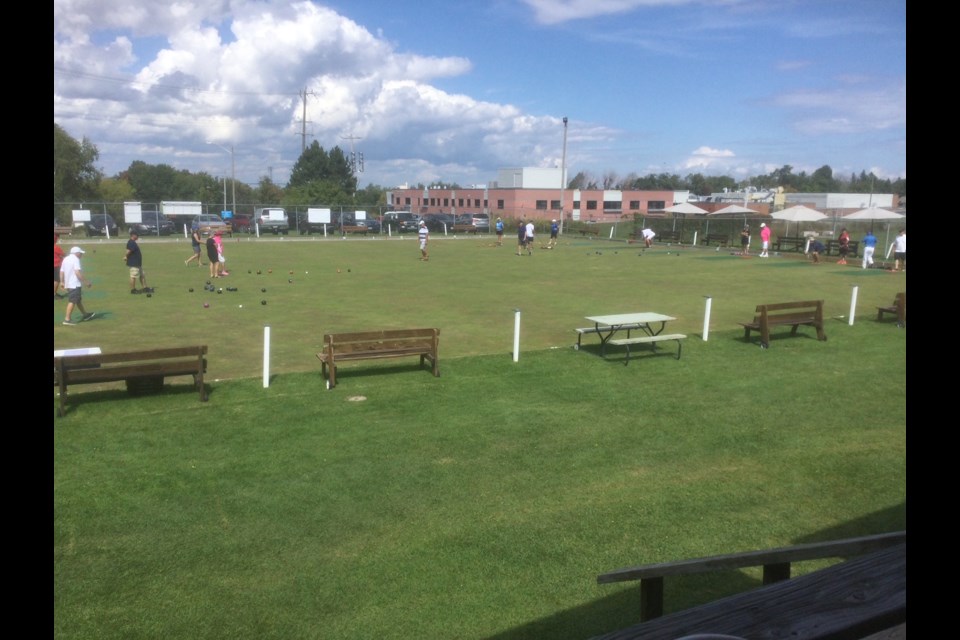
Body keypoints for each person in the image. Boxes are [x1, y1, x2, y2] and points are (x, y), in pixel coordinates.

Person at [59, 246, 95, 325]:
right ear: (77, 253)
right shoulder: (76, 259)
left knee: (77, 300)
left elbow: (62, 271)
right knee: (72, 301)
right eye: (81, 253)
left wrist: (62, 282)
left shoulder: (66, 259)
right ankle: (67, 319)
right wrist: (86, 282)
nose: (81, 255)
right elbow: (77, 272)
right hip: (74, 284)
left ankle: (85, 314)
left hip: (68, 284)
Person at [54, 232, 65, 299]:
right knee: (57, 280)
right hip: (56, 265)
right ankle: (54, 294)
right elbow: (63, 254)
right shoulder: (56, 247)